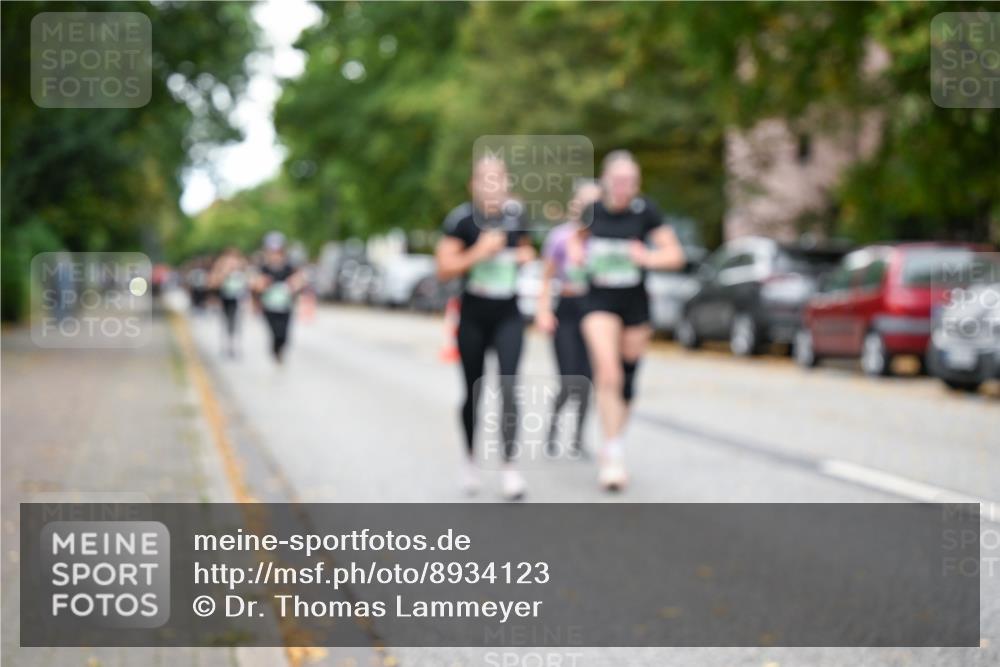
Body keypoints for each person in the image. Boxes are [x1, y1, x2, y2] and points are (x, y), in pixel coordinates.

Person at [573, 150, 685, 491]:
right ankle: (613, 454)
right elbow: (571, 243)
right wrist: (579, 255)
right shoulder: (591, 210)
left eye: (631, 182)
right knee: (609, 372)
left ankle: (614, 441)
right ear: (605, 180)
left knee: (628, 378)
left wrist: (646, 256)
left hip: (634, 302)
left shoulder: (645, 211)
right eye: (618, 180)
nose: (624, 187)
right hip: (599, 299)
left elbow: (675, 255)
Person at [435, 156, 536, 500]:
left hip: (508, 314)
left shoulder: (516, 216)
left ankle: (510, 467)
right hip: (473, 316)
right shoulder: (461, 220)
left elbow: (526, 250)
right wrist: (478, 251)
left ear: (506, 184)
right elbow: (445, 268)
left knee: (509, 387)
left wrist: (524, 256)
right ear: (473, 185)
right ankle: (469, 459)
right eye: (484, 179)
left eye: (498, 179)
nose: (492, 186)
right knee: (473, 391)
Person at [535, 180, 603, 459]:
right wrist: (544, 310)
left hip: (595, 308)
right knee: (569, 378)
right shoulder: (560, 237)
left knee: (588, 379)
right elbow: (546, 276)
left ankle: (577, 438)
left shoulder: (603, 238)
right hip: (566, 308)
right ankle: (552, 429)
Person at [253, 232, 305, 364]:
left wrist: (293, 284)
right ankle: (275, 350)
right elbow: (255, 285)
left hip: (285, 306)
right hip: (269, 307)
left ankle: (280, 349)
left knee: (284, 334)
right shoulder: (263, 268)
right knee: (275, 332)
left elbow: (300, 280)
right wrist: (263, 284)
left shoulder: (289, 267)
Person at [209, 246, 248, 358]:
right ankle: (227, 346)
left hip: (238, 299)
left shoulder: (241, 268)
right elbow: (213, 282)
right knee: (226, 323)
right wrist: (224, 273)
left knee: (236, 323)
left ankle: (235, 346)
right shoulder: (221, 267)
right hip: (225, 298)